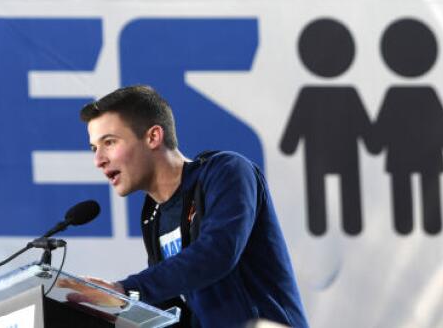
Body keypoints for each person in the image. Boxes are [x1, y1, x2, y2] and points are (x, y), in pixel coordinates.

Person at [80, 85, 308, 328]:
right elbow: (176, 308)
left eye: (109, 142)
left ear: (153, 137)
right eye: (94, 148)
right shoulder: (153, 215)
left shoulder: (227, 171)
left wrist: (127, 289)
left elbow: (217, 252)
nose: (98, 160)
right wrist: (111, 309)